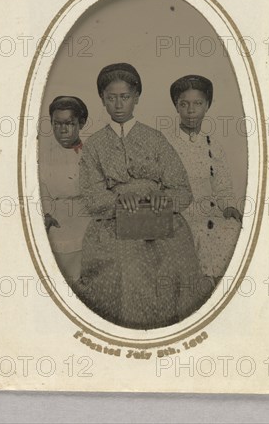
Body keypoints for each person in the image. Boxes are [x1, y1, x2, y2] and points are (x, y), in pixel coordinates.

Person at [72, 63, 206, 329]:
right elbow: (91, 194)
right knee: (125, 270)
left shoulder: (155, 139)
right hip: (113, 225)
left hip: (161, 221)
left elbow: (182, 189)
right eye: (111, 98)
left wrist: (162, 199)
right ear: (102, 100)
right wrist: (118, 201)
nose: (118, 104)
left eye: (125, 97)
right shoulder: (95, 145)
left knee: (176, 267)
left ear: (136, 99)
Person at [164, 75, 242, 289]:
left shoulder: (212, 146)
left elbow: (223, 187)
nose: (191, 110)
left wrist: (229, 207)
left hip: (208, 211)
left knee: (232, 230)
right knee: (196, 233)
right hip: (177, 212)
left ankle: (218, 292)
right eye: (184, 104)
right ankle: (201, 289)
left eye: (198, 104)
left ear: (207, 106)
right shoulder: (164, 144)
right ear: (176, 106)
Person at [39, 95, 90, 284]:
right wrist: (46, 214)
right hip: (58, 221)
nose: (62, 130)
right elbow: (40, 189)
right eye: (57, 124)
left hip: (87, 220)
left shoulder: (92, 152)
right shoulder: (44, 156)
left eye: (69, 123)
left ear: (81, 123)